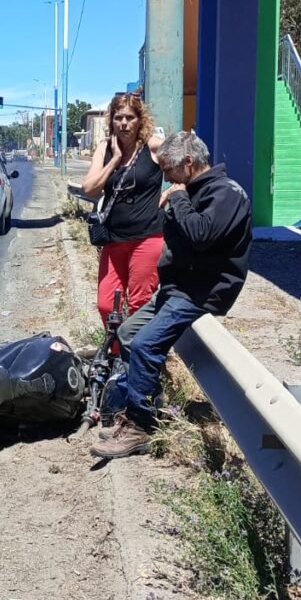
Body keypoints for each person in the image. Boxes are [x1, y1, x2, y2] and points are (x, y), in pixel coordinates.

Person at [88, 129, 252, 460]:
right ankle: (148, 402)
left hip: (202, 291)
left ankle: (140, 427)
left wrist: (177, 199)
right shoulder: (192, 190)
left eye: (168, 170)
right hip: (178, 287)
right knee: (128, 333)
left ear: (188, 162)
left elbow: (201, 235)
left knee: (146, 344)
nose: (166, 178)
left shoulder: (227, 193)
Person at [82, 93, 164, 329]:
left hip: (147, 239)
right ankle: (117, 348)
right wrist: (114, 160)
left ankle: (136, 351)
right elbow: (89, 188)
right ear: (112, 121)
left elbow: (187, 169)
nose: (124, 123)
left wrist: (169, 194)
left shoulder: (154, 146)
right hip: (113, 240)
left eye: (130, 117)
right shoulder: (105, 148)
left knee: (140, 304)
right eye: (118, 118)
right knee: (107, 305)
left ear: (140, 120)